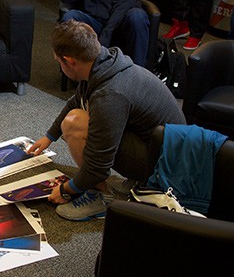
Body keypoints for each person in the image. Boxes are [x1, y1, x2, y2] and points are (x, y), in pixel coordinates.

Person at [27, 20, 186, 221]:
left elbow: (97, 165)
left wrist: (67, 189)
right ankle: (141, 180)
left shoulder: (109, 95)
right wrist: (49, 137)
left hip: (168, 169)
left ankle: (99, 197)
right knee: (78, 116)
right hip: (163, 149)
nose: (59, 65)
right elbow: (77, 100)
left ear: (70, 61)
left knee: (74, 124)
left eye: (59, 61)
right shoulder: (104, 64)